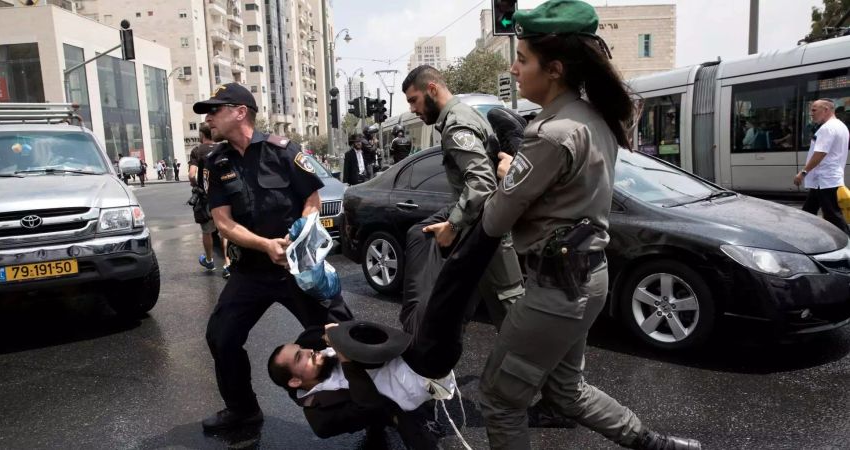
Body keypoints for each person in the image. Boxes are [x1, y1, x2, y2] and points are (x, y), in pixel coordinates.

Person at [477, 2, 702, 449]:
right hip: (586, 279)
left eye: (522, 59)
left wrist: (506, 177)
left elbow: (494, 220)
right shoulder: (596, 118)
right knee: (566, 391)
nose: (515, 68)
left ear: (555, 68)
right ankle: (655, 443)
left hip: (553, 287)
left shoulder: (551, 133)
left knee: (500, 399)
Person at [193, 82, 354, 434]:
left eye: (215, 109)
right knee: (221, 337)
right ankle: (242, 411)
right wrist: (265, 245)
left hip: (297, 270)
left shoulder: (283, 151)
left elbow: (312, 200)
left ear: (240, 112)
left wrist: (299, 235)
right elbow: (222, 221)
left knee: (343, 334)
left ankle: (375, 405)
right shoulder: (215, 161)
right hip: (251, 271)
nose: (208, 117)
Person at [268, 215, 503, 449]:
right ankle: (501, 208)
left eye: (302, 349)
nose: (309, 351)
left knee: (419, 234)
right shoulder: (321, 418)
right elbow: (369, 406)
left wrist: (295, 260)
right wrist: (345, 357)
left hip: (408, 340)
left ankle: (472, 205)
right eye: (300, 357)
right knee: (451, 285)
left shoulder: (313, 349)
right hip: (424, 367)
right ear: (295, 381)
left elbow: (320, 306)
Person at [401, 65, 524, 328]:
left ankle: (533, 368)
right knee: (456, 305)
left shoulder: (457, 126)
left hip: (488, 233)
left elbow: (481, 182)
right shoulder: (465, 114)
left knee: (511, 310)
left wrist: (453, 224)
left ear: (432, 89)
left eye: (414, 100)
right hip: (478, 231)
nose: (412, 109)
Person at [794, 98, 850, 235]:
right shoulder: (840, 126)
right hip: (824, 180)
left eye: (814, 110)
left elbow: (819, 154)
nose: (811, 114)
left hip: (825, 179)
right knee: (808, 212)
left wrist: (803, 172)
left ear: (826, 110)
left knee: (832, 215)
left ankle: (847, 241)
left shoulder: (827, 128)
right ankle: (803, 236)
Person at [188, 123, 232, 278]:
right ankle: (227, 263)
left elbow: (192, 174)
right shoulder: (224, 148)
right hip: (225, 195)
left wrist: (197, 185)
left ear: (201, 135)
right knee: (224, 230)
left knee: (207, 230)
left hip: (206, 198)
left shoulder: (197, 151)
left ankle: (209, 260)